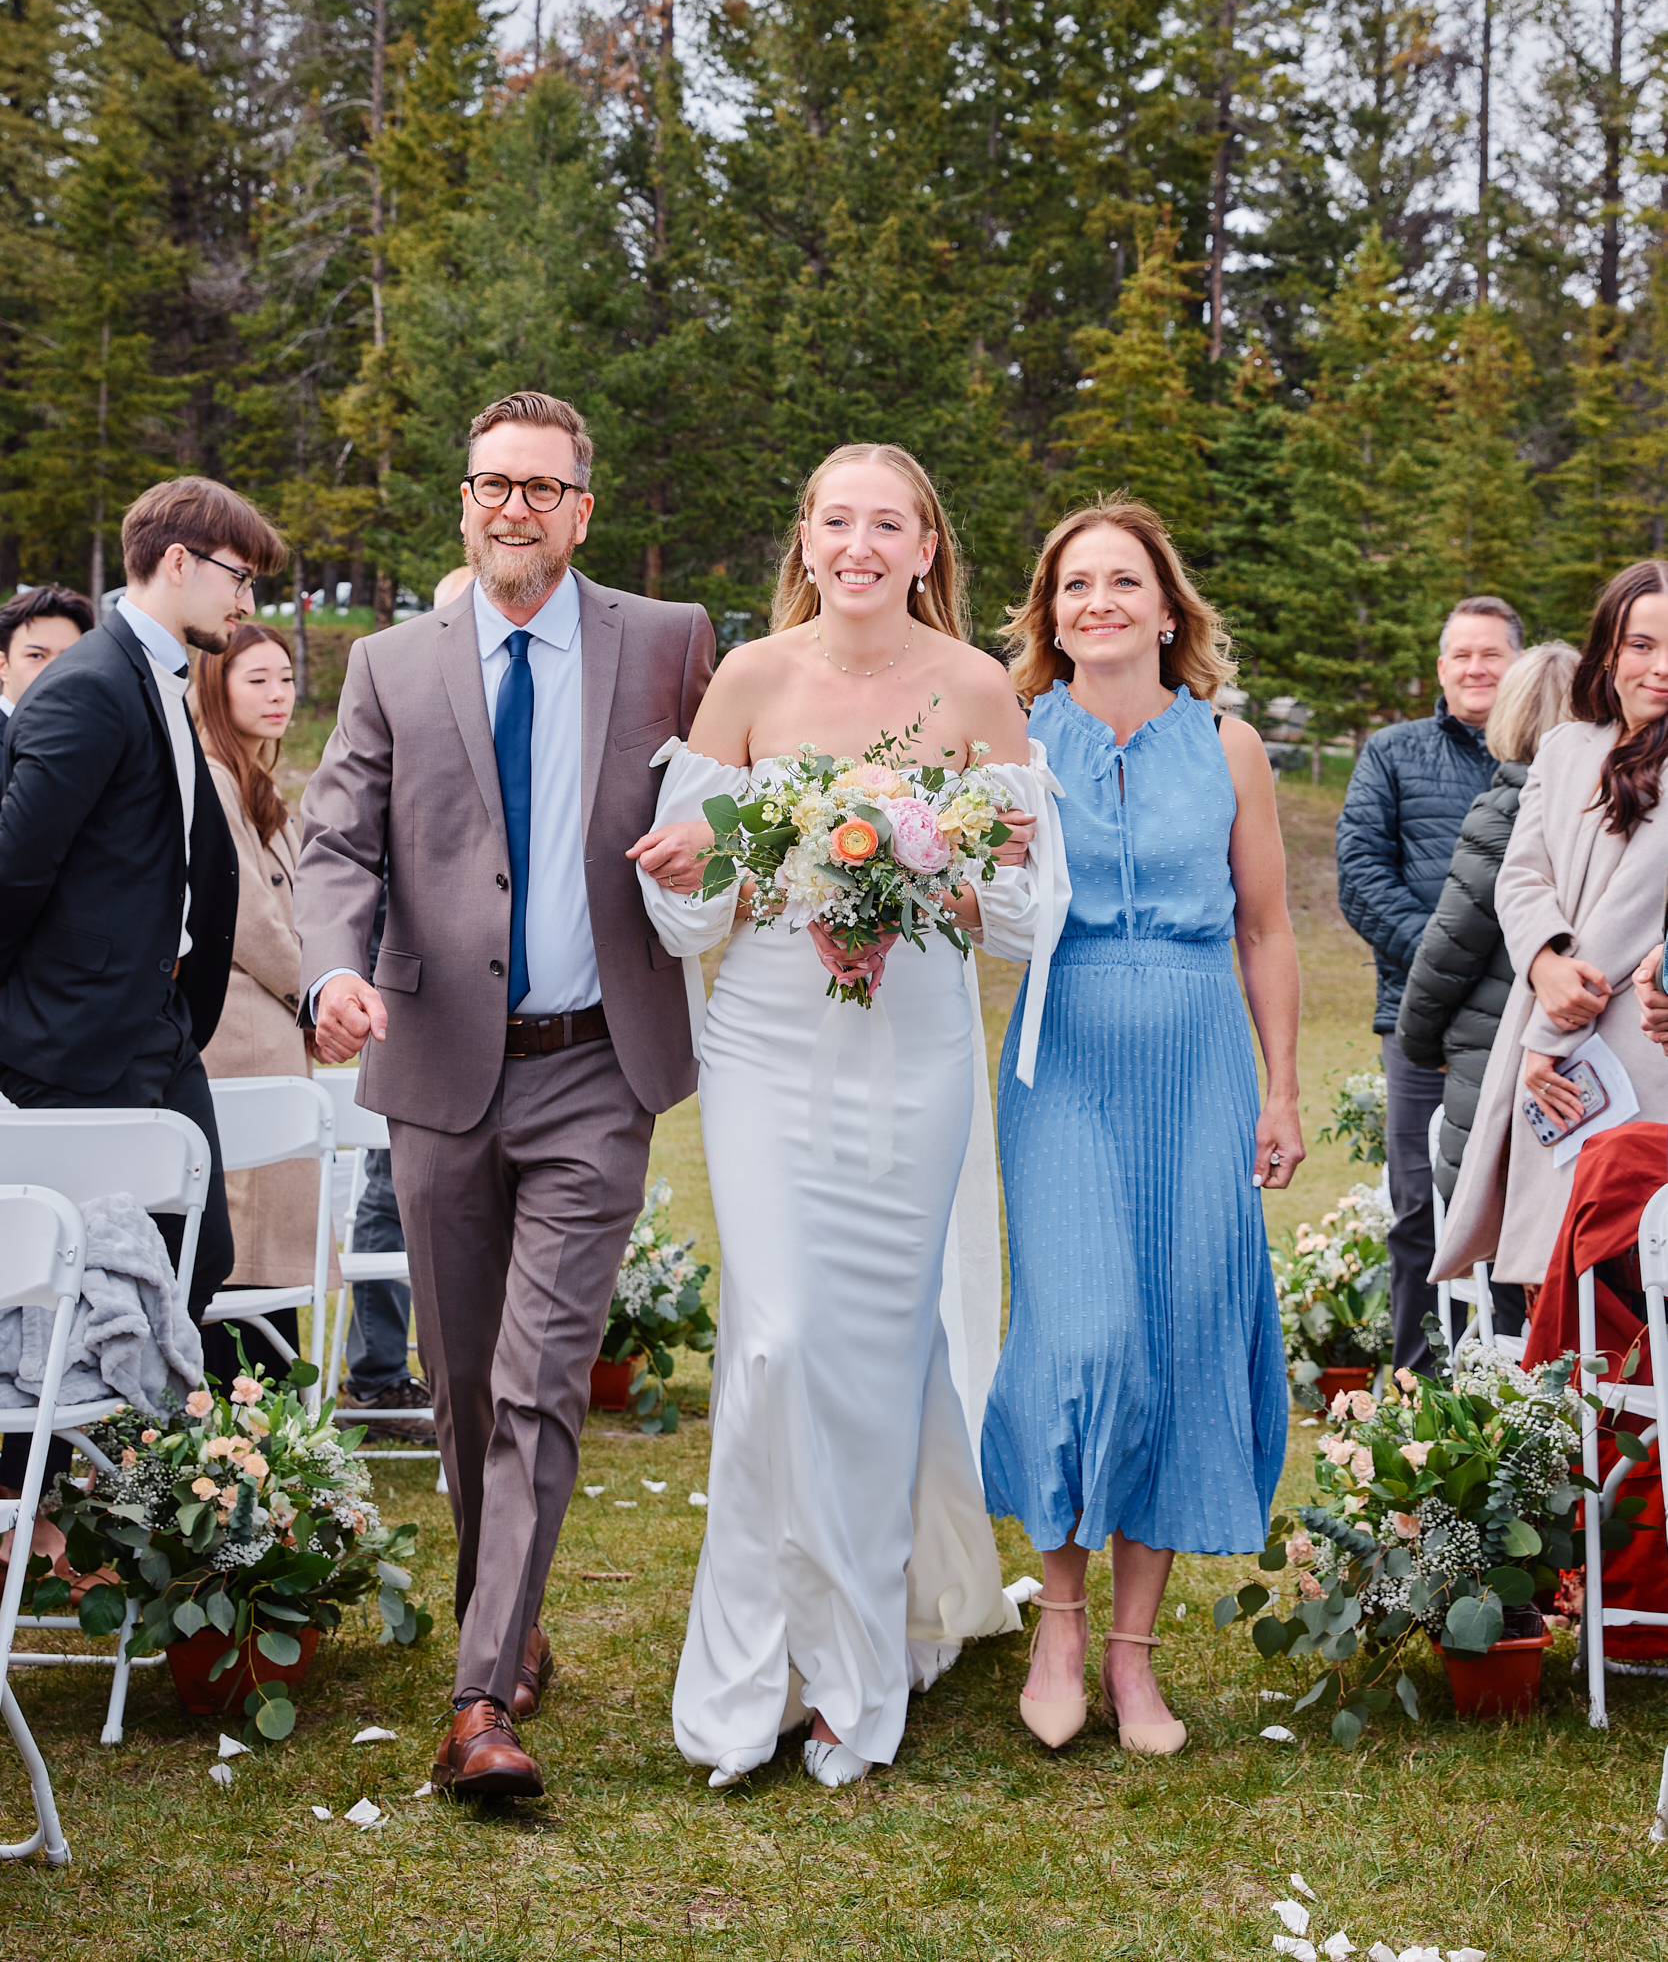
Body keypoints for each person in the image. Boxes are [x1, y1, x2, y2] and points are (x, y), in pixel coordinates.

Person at [294, 390, 715, 1801]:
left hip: (601, 1062)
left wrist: (720, 835)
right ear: (464, 504)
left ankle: (478, 1702)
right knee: (461, 1386)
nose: (516, 507)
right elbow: (337, 841)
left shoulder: (665, 643)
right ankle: (510, 1621)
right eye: (494, 484)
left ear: (582, 510)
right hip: (435, 1068)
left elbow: (740, 791)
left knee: (541, 1378)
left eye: (543, 487)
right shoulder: (388, 664)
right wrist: (330, 975)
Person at [632, 442, 1053, 1792]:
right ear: (803, 540)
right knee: (775, 1344)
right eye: (837, 521)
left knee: (872, 1366)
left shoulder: (978, 687)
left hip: (914, 1055)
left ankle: (858, 1672)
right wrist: (698, 872)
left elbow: (1035, 916)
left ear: (929, 547)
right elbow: (684, 908)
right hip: (765, 1040)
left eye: (891, 524)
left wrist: (965, 868)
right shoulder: (749, 678)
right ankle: (748, 1671)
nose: (860, 545)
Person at [976, 497, 1300, 1758]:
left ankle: (1133, 1656)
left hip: (1200, 1057)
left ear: (1169, 608)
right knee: (1083, 1333)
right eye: (1073, 586)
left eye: (1122, 581)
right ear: (1050, 616)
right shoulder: (1012, 741)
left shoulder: (1230, 748)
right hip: (1062, 1057)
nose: (1097, 602)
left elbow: (1268, 929)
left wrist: (1279, 1086)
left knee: (1174, 1336)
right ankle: (1057, 1620)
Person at [0, 478, 287, 1325]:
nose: (245, 601)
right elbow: (15, 869)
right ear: (176, 561)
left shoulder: (161, 675)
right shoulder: (90, 684)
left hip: (157, 1026)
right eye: (238, 577)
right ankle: (49, 1458)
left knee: (199, 1255)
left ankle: (137, 1457)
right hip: (78, 1036)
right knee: (78, 1281)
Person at [1435, 561, 1668, 1296]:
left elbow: (1636, 901)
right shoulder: (1568, 749)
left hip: (1635, 1044)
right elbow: (1521, 873)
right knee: (1555, 1285)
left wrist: (1552, 1034)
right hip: (1551, 1024)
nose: (1660, 667)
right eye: (1640, 645)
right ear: (1608, 651)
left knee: (1627, 1269)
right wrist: (1542, 961)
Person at [1335, 594, 1523, 1374]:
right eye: (1462, 655)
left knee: (1521, 1206)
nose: (1476, 668)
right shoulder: (1393, 751)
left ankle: (1521, 1380)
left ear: (1519, 664)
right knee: (1421, 1207)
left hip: (1529, 1023)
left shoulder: (1559, 755)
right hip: (1420, 1022)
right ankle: (1421, 1388)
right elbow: (1361, 877)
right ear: (1440, 668)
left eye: (1493, 654)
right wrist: (1452, 967)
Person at [190, 620, 338, 1382]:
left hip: (268, 1033)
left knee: (270, 1258)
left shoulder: (253, 778)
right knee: (242, 1250)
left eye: (285, 677)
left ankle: (268, 1443)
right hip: (241, 1037)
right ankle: (236, 1440)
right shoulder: (212, 775)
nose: (279, 694)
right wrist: (314, 996)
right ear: (215, 686)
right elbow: (251, 913)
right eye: (258, 679)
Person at [1396, 642, 1578, 1226]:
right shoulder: (1611, 807)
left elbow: (1449, 948)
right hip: (1588, 1061)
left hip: (1498, 1064)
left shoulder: (1505, 809)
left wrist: (1419, 1044)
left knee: (1504, 1251)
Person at [0, 584, 94, 780]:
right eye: (36, 655)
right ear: (3, 666)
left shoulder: (92, 738)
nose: (55, 670)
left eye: (69, 656)